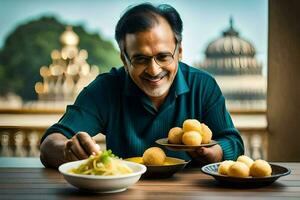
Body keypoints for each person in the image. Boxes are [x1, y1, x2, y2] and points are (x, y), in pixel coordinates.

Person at [40, 3, 244, 168]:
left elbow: (233, 141)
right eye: (140, 59)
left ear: (179, 51)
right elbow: (50, 143)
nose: (154, 70)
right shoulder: (106, 89)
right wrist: (68, 149)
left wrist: (213, 152)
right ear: (124, 58)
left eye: (163, 57)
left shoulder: (203, 85)